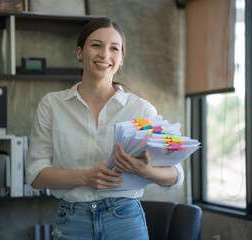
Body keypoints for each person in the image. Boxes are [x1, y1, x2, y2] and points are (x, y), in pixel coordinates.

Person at [26, 17, 184, 240]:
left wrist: (146, 171)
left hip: (125, 221)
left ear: (121, 59)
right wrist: (85, 177)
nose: (104, 54)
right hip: (72, 221)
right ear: (80, 52)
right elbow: (35, 174)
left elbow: (176, 175)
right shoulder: (52, 105)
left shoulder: (141, 109)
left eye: (114, 49)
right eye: (96, 45)